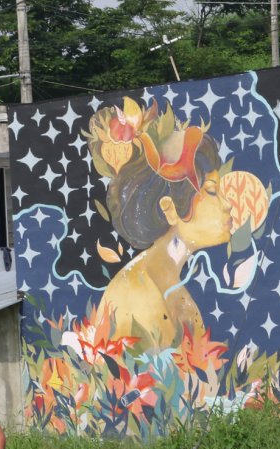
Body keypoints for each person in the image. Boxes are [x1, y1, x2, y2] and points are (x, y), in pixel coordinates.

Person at [89, 99, 268, 350]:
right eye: (213, 192)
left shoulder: (174, 291)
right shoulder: (140, 297)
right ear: (169, 208)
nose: (228, 204)